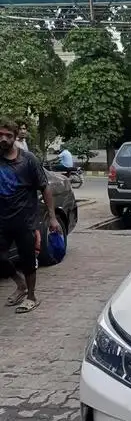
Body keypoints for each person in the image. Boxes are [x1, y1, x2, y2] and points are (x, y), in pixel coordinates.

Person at [0, 117, 60, 313]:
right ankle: (20, 285)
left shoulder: (28, 160)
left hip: (25, 220)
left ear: (16, 137)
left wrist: (52, 217)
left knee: (27, 260)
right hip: (2, 220)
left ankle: (32, 296)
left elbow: (45, 188)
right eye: (0, 135)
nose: (4, 139)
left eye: (8, 135)